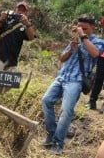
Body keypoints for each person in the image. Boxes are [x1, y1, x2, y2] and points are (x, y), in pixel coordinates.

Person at [41, 14, 104, 155]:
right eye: (79, 27)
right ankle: (52, 133)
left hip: (76, 81)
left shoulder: (98, 42)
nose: (81, 30)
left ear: (93, 28)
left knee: (66, 111)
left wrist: (83, 37)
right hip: (62, 77)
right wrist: (71, 48)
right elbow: (62, 59)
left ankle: (58, 142)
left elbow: (95, 54)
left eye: (85, 28)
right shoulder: (74, 40)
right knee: (46, 101)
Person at [0, 1, 34, 100]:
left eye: (23, 10)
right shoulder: (6, 20)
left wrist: (27, 24)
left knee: (11, 82)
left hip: (12, 59)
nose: (20, 11)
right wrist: (1, 20)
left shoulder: (25, 25)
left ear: (26, 13)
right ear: (15, 9)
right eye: (19, 9)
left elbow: (31, 37)